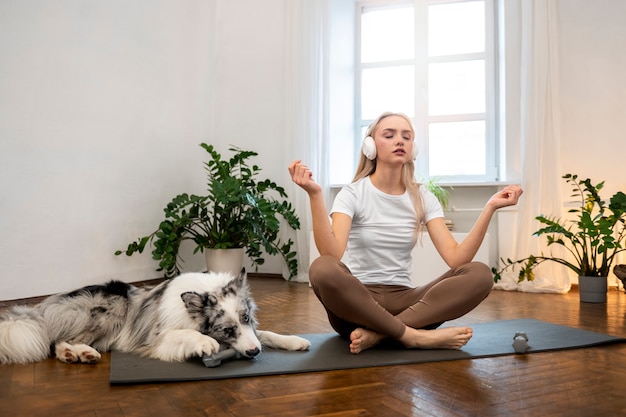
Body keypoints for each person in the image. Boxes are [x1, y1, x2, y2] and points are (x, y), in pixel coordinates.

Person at [288, 112, 523, 354]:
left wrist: (490, 207)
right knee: (322, 268)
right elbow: (331, 254)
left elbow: (457, 259)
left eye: (406, 137)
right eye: (389, 135)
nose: (399, 141)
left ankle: (380, 335)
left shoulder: (423, 197)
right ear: (370, 146)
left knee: (480, 274)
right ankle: (413, 336)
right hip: (357, 305)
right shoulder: (353, 193)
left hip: (407, 302)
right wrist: (315, 195)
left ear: (413, 148)